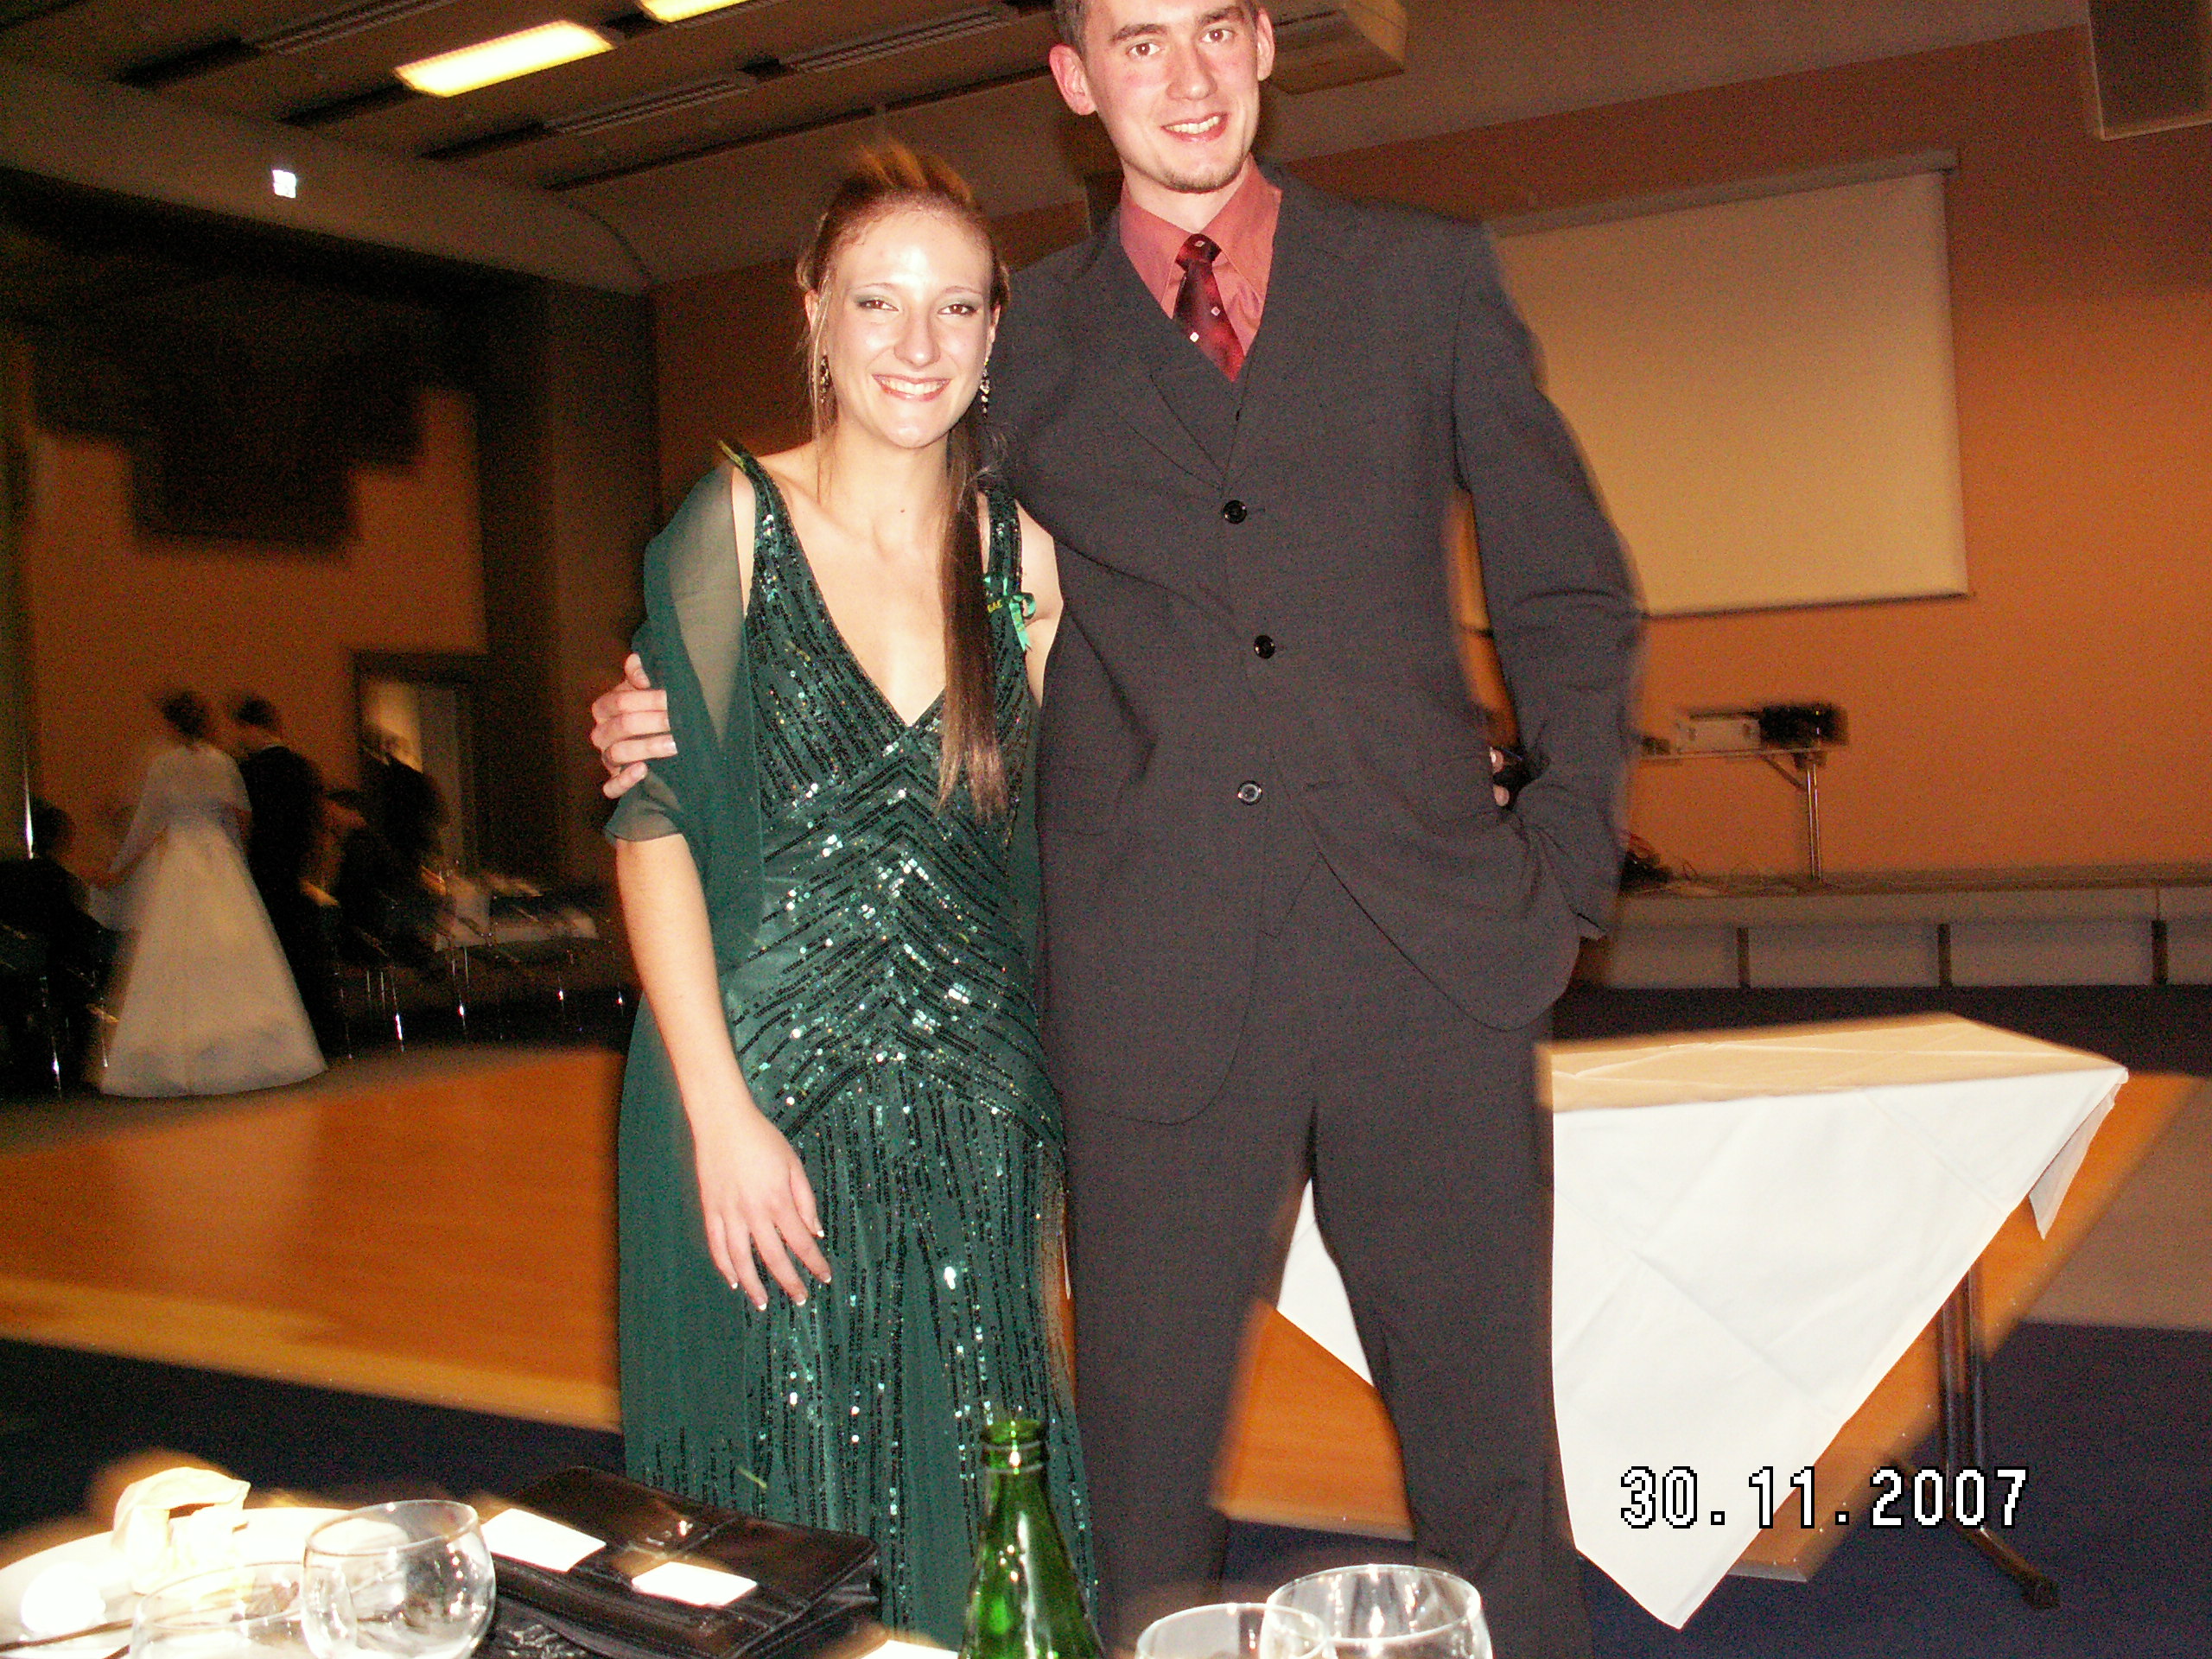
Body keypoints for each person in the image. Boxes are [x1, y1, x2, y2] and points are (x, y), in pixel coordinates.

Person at [597, 4, 1643, 1649]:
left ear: (1267, 43)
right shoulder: (1021, 343)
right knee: (1140, 1488)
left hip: (1434, 964)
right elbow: (873, 539)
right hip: (1151, 988)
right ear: (1078, 83)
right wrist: (660, 713)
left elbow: (1567, 584)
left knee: (1493, 1462)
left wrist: (1564, 869)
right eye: (1139, 41)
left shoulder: (1427, 277)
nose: (1189, 77)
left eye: (1216, 26)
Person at [606, 147, 1088, 1646]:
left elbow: (1117, 812)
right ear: (814, 310)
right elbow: (652, 830)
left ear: (996, 331)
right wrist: (718, 1115)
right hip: (762, 1100)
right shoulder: (732, 527)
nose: (916, 343)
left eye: (956, 306)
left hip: (976, 1106)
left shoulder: (1027, 561)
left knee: (985, 1499)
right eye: (878, 301)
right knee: (776, 1513)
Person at [98, 690, 324, 1096]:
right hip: (219, 859)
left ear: (172, 725)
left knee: (177, 957)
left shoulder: (165, 765)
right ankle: (250, 1054)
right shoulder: (222, 762)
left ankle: (181, 1060)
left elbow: (145, 825)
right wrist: (235, 855)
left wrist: (117, 869)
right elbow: (241, 818)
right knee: (236, 955)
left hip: (181, 859)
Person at [232, 696, 339, 1051]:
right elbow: (316, 824)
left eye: (242, 730)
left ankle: (276, 1039)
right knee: (303, 956)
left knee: (267, 959)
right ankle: (321, 1035)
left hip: (261, 872)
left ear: (253, 728)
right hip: (295, 873)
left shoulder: (247, 772)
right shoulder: (303, 768)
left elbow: (243, 827)